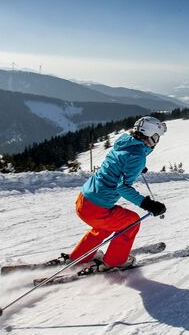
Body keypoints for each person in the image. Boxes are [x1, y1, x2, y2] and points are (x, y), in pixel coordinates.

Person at [69, 116, 167, 271]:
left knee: (105, 226)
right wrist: (148, 204)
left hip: (84, 200)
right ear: (150, 136)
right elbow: (122, 187)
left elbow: (118, 163)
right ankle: (115, 261)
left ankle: (80, 256)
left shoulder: (124, 142)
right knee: (131, 222)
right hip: (96, 208)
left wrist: (133, 169)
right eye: (156, 137)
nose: (157, 141)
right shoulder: (137, 156)